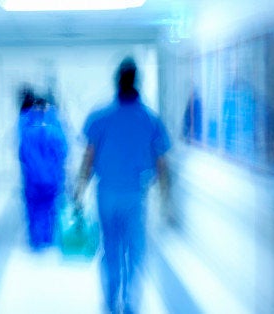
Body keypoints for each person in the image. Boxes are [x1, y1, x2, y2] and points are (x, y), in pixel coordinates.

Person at [73, 57, 171, 314]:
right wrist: (165, 198)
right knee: (135, 250)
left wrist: (79, 190)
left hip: (106, 194)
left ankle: (110, 301)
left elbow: (88, 157)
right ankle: (129, 303)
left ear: (117, 80)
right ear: (137, 80)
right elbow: (161, 162)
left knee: (110, 249)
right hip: (135, 195)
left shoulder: (100, 116)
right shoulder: (150, 118)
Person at [18, 89, 68, 251]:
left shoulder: (27, 132)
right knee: (50, 208)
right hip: (52, 178)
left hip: (32, 179)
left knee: (33, 209)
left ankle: (35, 241)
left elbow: (22, 155)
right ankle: (48, 238)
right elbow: (63, 153)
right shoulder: (55, 131)